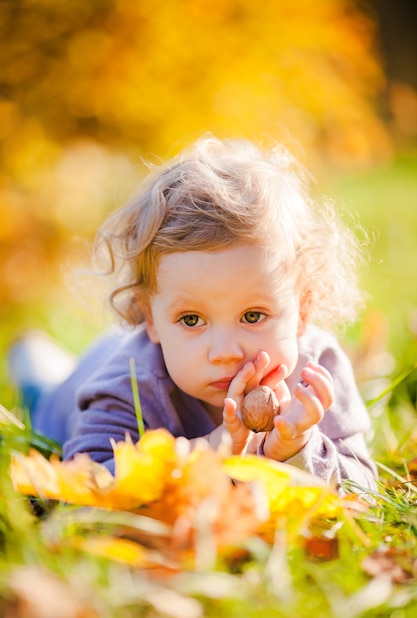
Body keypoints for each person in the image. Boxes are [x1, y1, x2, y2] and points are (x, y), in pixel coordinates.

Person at [13, 135, 377, 492]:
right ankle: (31, 358)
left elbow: (365, 491)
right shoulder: (128, 389)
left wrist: (297, 449)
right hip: (81, 382)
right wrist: (209, 454)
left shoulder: (316, 376)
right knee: (41, 388)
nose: (224, 351)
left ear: (303, 309)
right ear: (150, 319)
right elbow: (86, 487)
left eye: (252, 316)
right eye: (191, 320)